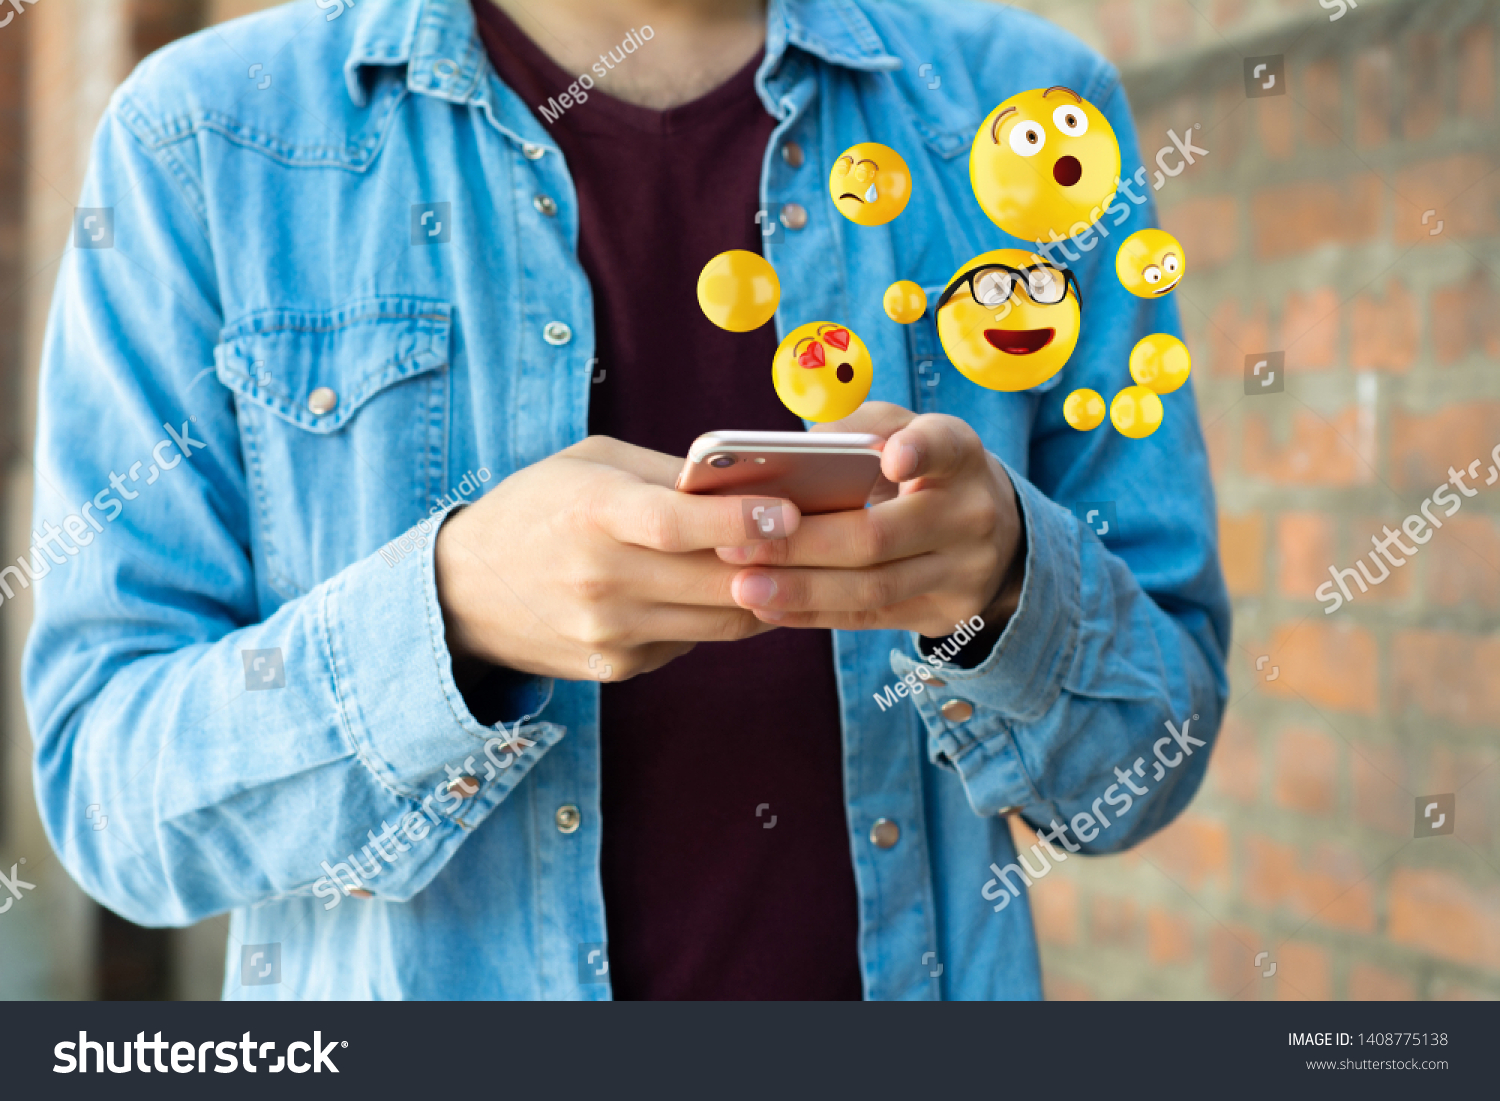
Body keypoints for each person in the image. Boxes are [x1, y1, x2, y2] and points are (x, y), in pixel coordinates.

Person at [25, 0, 1230, 1000]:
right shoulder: (206, 139)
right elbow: (112, 799)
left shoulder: (1032, 118)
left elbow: (1149, 759)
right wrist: (452, 617)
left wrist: (1004, 589)